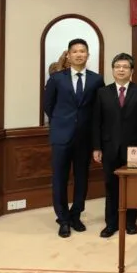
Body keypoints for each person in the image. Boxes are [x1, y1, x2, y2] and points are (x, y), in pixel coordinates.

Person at [43, 38, 104, 238]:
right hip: (61, 136)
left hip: (84, 138)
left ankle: (76, 214)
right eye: (75, 51)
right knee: (59, 178)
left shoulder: (96, 79)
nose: (79, 54)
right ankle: (63, 219)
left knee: (81, 178)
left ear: (88, 55)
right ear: (68, 55)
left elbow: (97, 111)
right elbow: (48, 106)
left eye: (83, 51)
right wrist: (61, 123)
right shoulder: (56, 78)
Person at [91, 53, 137, 238]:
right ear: (113, 70)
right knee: (111, 185)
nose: (121, 69)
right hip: (109, 147)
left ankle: (130, 222)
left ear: (131, 71)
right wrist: (96, 147)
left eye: (125, 67)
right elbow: (96, 122)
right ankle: (111, 223)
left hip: (134, 149)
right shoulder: (102, 92)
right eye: (117, 66)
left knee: (132, 186)